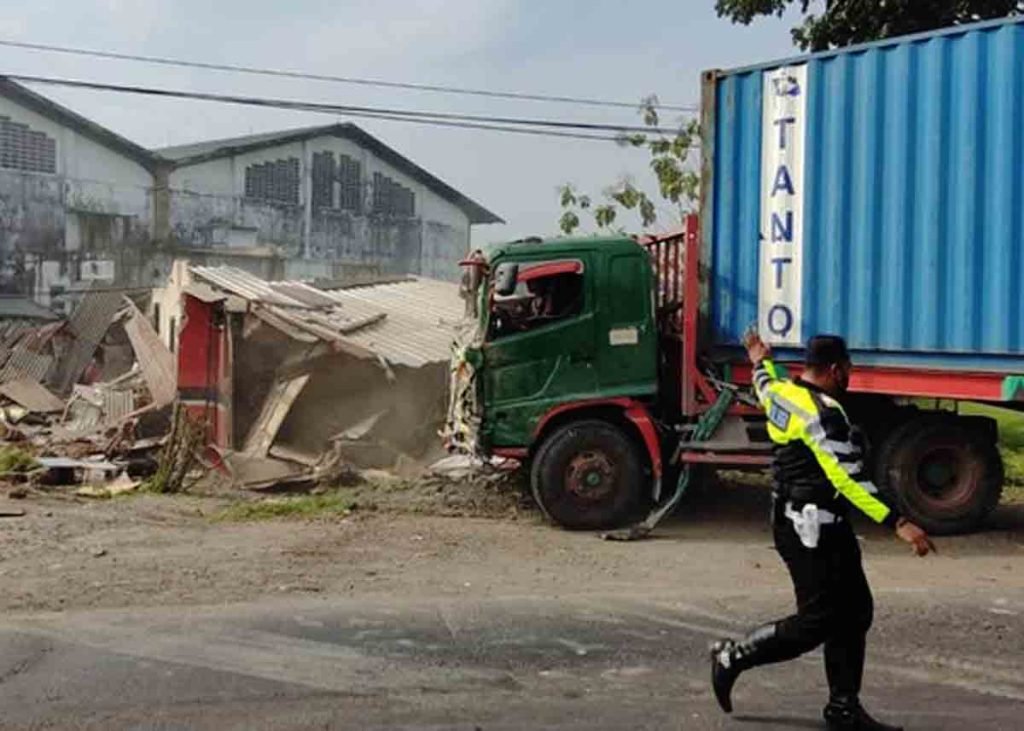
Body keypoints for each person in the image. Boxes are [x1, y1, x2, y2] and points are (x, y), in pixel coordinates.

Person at [710, 333, 936, 731]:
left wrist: (761, 360)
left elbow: (762, 382)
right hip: (808, 528)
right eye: (847, 370)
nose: (849, 377)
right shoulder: (825, 414)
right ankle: (733, 656)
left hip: (811, 521)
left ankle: (843, 709)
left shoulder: (783, 390)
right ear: (835, 370)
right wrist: (898, 522)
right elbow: (848, 479)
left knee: (855, 611)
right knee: (818, 620)